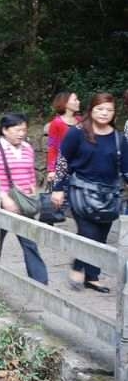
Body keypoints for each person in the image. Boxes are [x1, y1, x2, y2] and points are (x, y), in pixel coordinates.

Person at [52, 93, 128, 293]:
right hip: (81, 191)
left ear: (114, 113)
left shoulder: (119, 139)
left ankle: (92, 277)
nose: (104, 113)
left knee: (101, 236)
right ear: (91, 110)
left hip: (109, 194)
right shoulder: (77, 133)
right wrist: (57, 188)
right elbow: (63, 161)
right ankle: (78, 267)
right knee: (88, 233)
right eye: (100, 109)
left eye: (109, 110)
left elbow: (126, 169)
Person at [0, 113, 48, 284]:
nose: (21, 133)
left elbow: (30, 172)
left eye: (24, 130)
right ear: (5, 130)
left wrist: (32, 189)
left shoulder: (27, 148)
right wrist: (4, 198)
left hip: (23, 203)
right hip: (1, 205)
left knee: (30, 243)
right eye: (17, 130)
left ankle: (40, 284)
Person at [46, 91, 81, 182]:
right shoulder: (56, 123)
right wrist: (51, 170)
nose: (78, 102)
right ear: (65, 103)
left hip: (80, 165)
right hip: (64, 166)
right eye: (75, 100)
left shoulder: (80, 120)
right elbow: (52, 147)